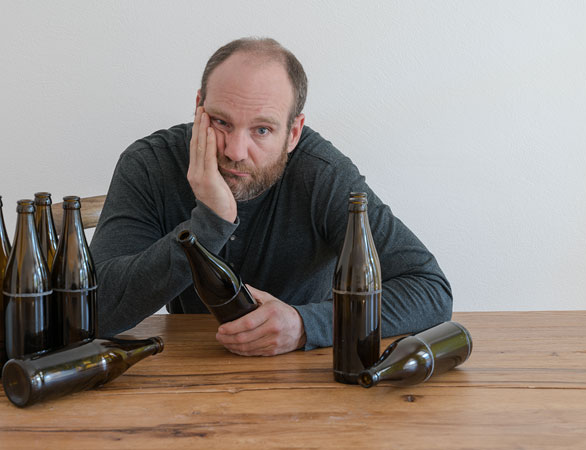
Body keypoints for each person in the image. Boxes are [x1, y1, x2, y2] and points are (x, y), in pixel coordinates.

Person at [90, 37, 452, 356]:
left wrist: (306, 324)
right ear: (199, 107)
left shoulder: (322, 173)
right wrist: (210, 222)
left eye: (262, 129)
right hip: (185, 368)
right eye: (221, 122)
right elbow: (94, 310)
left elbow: (430, 290)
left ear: (293, 132)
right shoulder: (149, 164)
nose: (235, 150)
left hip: (306, 375)